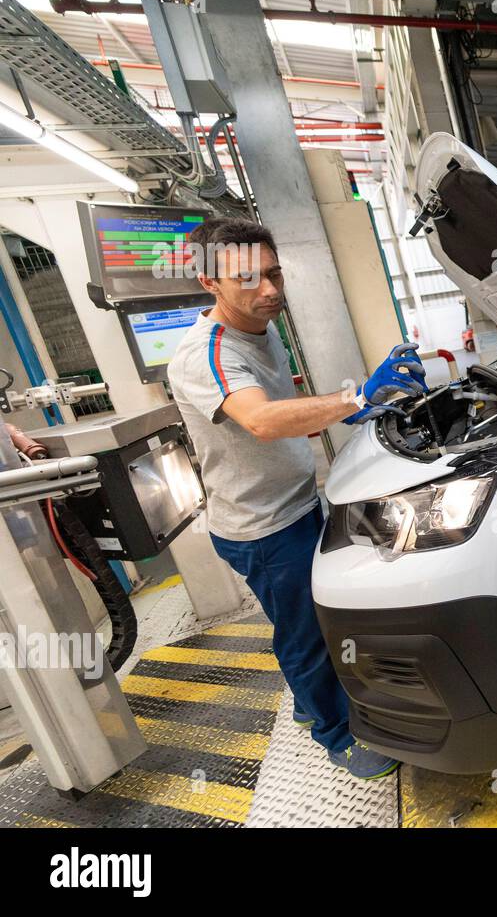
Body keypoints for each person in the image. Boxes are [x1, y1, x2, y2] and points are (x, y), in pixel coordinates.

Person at [167, 218, 425, 779]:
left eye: (274, 273)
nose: (269, 291)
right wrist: (353, 395)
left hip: (299, 502)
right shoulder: (204, 354)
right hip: (262, 527)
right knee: (304, 634)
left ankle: (321, 705)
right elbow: (260, 420)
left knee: (325, 619)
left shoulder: (263, 327)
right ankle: (334, 733)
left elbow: (285, 412)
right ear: (210, 283)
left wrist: (362, 409)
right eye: (248, 279)